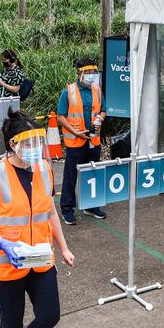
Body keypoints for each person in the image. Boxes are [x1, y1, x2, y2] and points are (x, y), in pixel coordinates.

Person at [0, 108, 75, 328]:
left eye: (38, 142)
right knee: (11, 324)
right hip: (6, 263)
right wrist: (3, 243)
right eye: (29, 144)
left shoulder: (45, 169)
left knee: (50, 316)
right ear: (12, 145)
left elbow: (50, 212)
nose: (36, 148)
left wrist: (64, 248)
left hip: (40, 259)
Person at [57, 58, 107, 224]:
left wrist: (100, 118)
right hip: (75, 143)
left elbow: (103, 110)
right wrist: (75, 132)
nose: (91, 76)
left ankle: (91, 206)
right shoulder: (68, 92)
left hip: (93, 141)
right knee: (70, 176)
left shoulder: (97, 90)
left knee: (92, 173)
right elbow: (60, 116)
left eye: (94, 72)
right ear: (79, 73)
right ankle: (67, 209)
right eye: (88, 73)